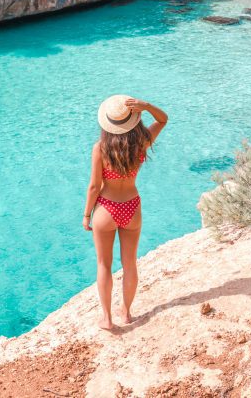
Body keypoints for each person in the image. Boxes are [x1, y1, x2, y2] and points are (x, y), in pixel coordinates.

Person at [83, 95, 168, 330]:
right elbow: (163, 120)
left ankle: (107, 319)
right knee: (130, 263)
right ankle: (127, 313)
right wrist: (148, 106)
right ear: (134, 119)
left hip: (106, 209)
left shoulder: (100, 149)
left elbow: (93, 187)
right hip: (131, 207)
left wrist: (86, 214)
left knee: (103, 264)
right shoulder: (141, 143)